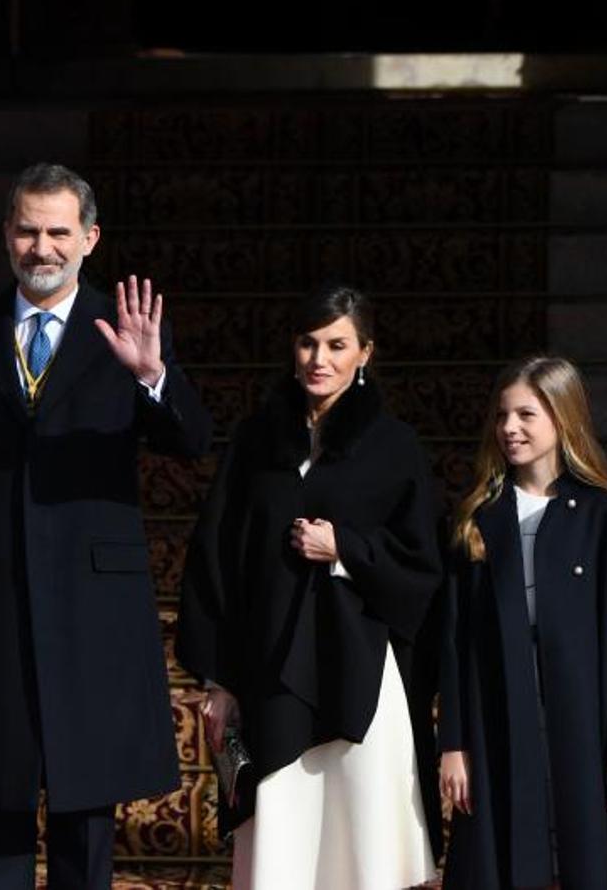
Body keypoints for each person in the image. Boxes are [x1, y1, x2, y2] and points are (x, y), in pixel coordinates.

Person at [0, 162, 212, 889]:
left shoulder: (127, 333)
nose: (40, 248)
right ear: (6, 235)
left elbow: (191, 443)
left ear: (89, 238)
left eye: (57, 232)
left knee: (83, 818)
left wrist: (150, 377)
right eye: (26, 230)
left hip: (92, 609)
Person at [175, 285, 440, 890]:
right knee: (282, 848)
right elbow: (216, 558)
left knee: (364, 849)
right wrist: (219, 680)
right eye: (308, 342)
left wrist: (346, 550)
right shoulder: (256, 441)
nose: (319, 358)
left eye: (336, 345)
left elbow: (423, 566)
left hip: (362, 675)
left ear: (365, 353)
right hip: (271, 674)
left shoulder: (395, 447)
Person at [438, 356, 607, 889]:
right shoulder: (477, 518)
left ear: (562, 417)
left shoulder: (604, 515)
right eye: (503, 416)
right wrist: (453, 743)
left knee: (583, 855)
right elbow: (456, 639)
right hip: (497, 711)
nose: (509, 428)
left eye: (526, 415)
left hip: (583, 715)